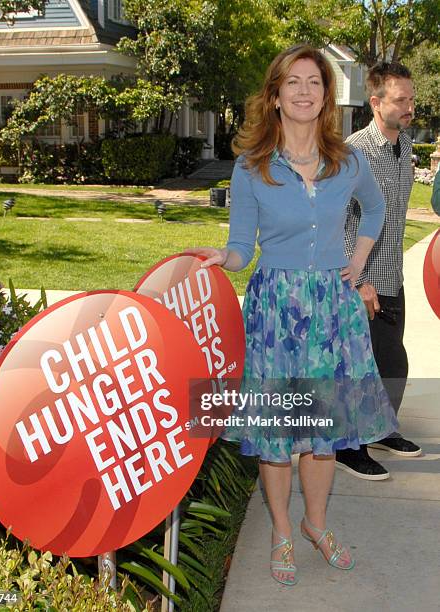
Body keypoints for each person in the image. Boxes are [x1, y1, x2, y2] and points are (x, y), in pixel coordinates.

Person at [188, 44, 398, 586]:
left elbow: (375, 209)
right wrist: (223, 259)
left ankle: (317, 525)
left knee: (322, 433)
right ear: (276, 96)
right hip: (276, 315)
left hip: (331, 313)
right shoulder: (251, 167)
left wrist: (356, 262)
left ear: (326, 96)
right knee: (279, 435)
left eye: (314, 82)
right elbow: (241, 246)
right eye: (293, 82)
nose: (304, 91)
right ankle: (282, 529)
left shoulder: (347, 161)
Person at [336, 62, 422, 481]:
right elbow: (335, 221)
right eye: (400, 100)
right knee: (361, 368)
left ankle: (383, 429)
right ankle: (348, 447)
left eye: (411, 98)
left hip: (394, 275)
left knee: (391, 364)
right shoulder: (353, 152)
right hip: (361, 282)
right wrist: (358, 280)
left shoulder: (405, 146)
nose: (409, 107)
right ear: (375, 102)